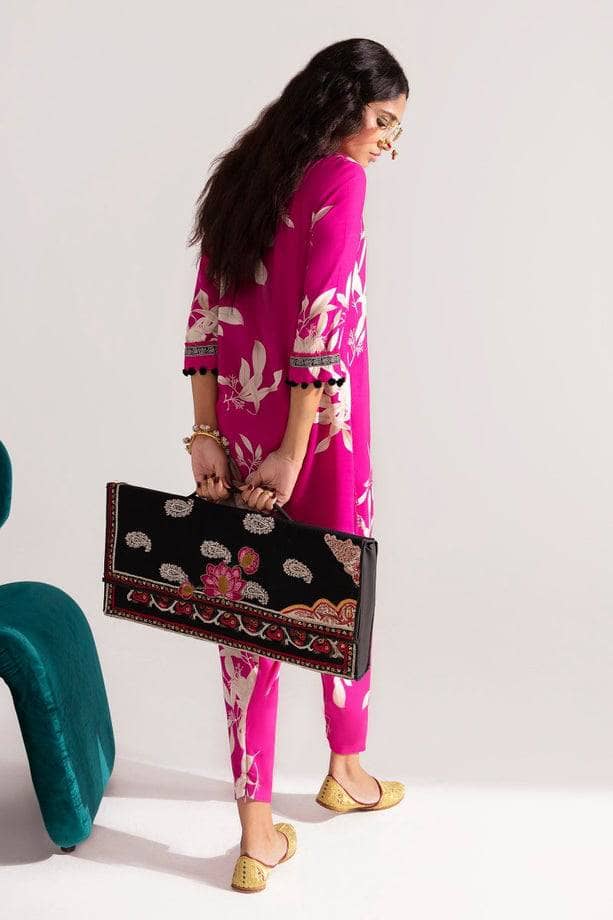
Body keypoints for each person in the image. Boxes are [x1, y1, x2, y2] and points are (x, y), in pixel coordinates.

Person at [181, 38, 409, 892]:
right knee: (342, 584)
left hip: (237, 425)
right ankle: (345, 770)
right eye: (381, 120)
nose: (386, 142)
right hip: (316, 436)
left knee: (245, 607)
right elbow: (323, 319)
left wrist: (204, 433)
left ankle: (255, 836)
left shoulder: (243, 177)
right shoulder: (339, 180)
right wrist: (292, 445)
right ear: (341, 105)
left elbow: (204, 316)